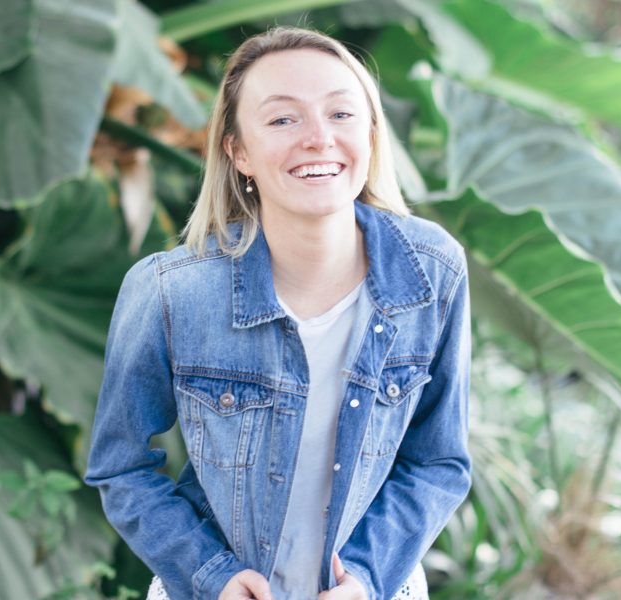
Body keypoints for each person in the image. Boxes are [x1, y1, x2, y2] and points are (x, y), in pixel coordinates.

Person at [84, 26, 472, 600]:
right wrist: (211, 575)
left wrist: (366, 579)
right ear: (237, 151)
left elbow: (438, 461)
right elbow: (122, 468)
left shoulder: (432, 272)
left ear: (370, 134)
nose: (318, 138)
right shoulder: (170, 291)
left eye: (340, 113)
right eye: (283, 119)